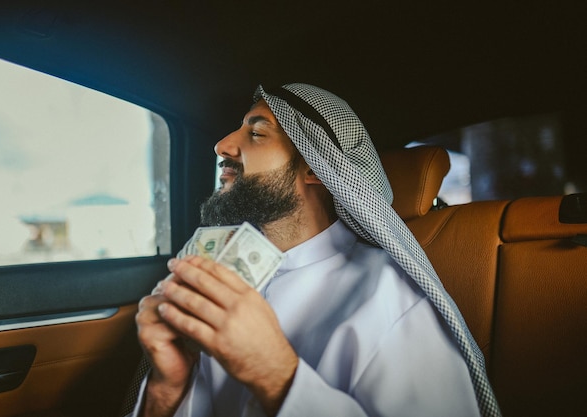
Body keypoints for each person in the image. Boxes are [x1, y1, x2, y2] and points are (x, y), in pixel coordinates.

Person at [129, 83, 501, 417]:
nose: (222, 145)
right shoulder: (219, 274)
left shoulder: (390, 300)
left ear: (315, 168)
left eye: (257, 133)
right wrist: (166, 391)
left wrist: (276, 374)